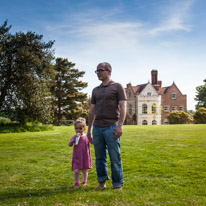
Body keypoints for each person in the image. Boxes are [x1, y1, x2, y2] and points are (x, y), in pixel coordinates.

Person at [87, 62, 127, 190]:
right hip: (97, 128)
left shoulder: (117, 87)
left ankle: (117, 184)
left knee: (115, 157)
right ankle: (102, 182)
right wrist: (89, 130)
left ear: (109, 71)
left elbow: (123, 107)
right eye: (97, 71)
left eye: (100, 70)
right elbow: (92, 111)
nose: (98, 73)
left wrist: (120, 126)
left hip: (112, 126)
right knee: (99, 158)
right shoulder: (95, 90)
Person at [69, 117, 93, 188]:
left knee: (84, 170)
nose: (78, 130)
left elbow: (93, 142)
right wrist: (73, 140)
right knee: (76, 170)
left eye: (80, 128)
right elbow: (70, 144)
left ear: (84, 129)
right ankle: (77, 182)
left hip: (85, 155)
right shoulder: (74, 137)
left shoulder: (86, 137)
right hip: (77, 156)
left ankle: (84, 181)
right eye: (76, 128)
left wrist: (91, 137)